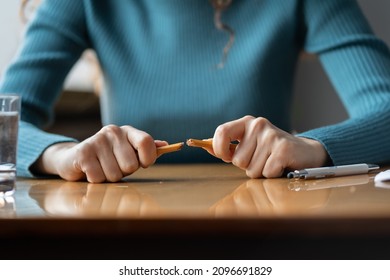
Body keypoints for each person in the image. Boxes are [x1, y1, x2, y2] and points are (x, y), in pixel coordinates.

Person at [1, 0, 390, 183]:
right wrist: (64, 156)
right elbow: (5, 123)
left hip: (269, 238)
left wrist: (312, 147)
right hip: (124, 242)